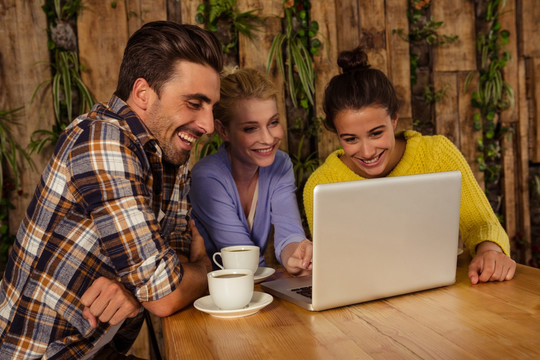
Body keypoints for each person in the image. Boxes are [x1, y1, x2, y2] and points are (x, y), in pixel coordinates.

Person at [0, 21, 222, 359]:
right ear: (143, 93)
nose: (208, 124)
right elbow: (165, 292)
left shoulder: (168, 151)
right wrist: (205, 270)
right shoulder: (104, 139)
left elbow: (170, 266)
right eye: (194, 103)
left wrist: (138, 289)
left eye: (211, 107)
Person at [303, 47, 516, 285]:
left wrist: (490, 251)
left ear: (394, 120)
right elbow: (336, 267)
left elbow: (481, 223)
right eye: (350, 139)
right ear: (337, 134)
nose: (367, 151)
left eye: (376, 133)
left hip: (439, 292)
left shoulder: (436, 154)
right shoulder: (321, 185)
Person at [189, 67, 313, 276]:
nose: (267, 138)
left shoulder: (280, 164)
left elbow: (289, 232)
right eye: (250, 128)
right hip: (212, 293)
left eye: (273, 123)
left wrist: (297, 256)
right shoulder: (207, 177)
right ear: (223, 130)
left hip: (255, 286)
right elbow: (244, 261)